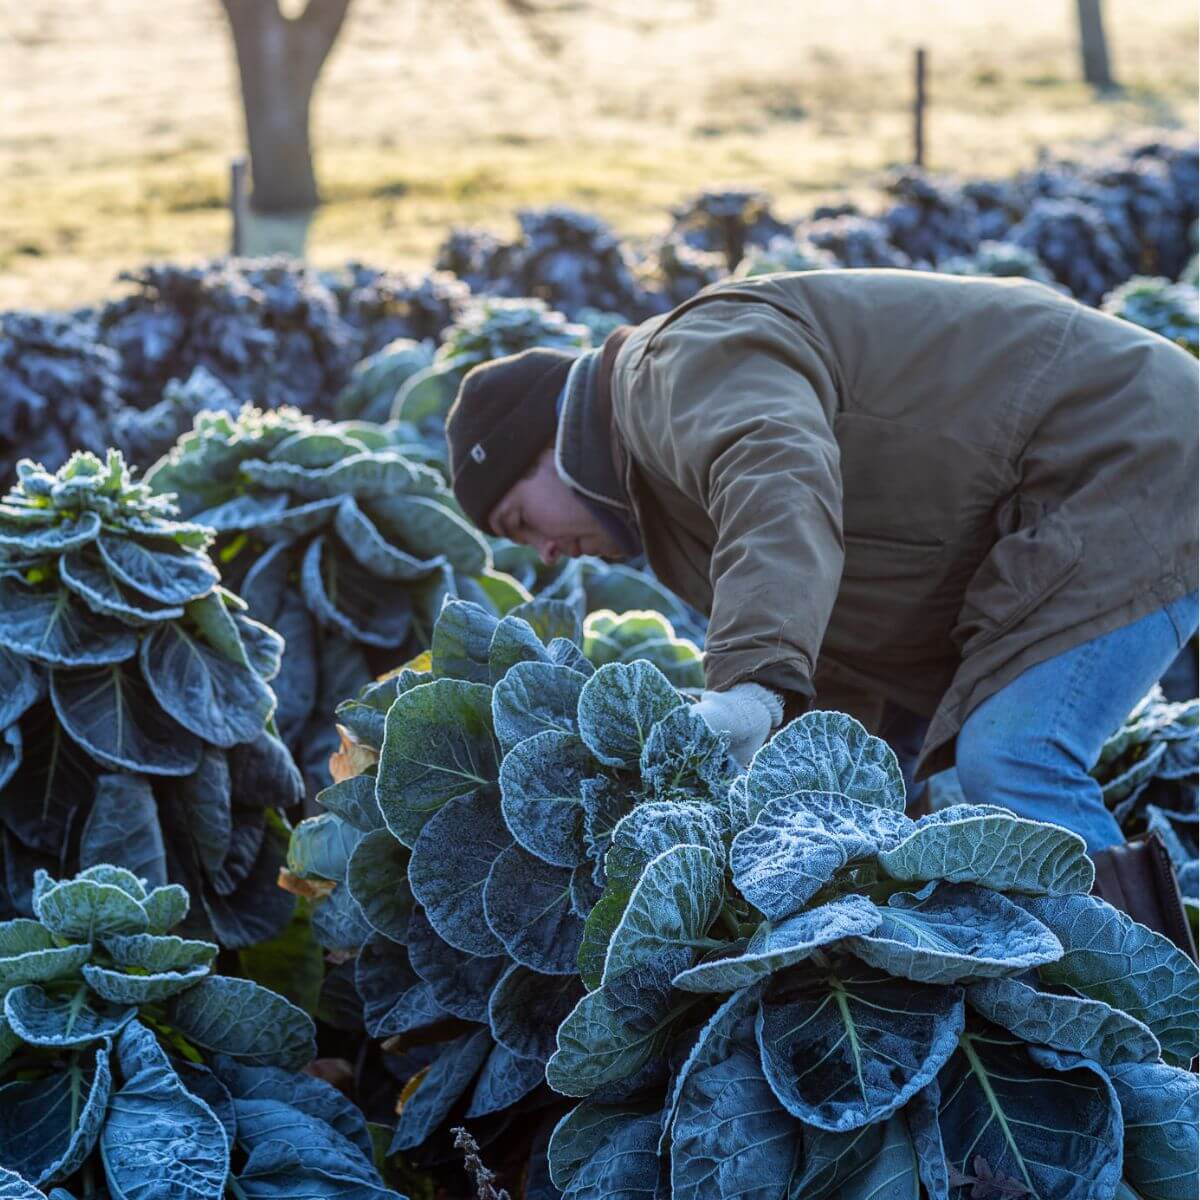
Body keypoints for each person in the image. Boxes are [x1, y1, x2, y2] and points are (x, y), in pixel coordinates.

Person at [445, 270, 1199, 870]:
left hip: (1121, 453)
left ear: (550, 448)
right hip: (1057, 500)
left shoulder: (672, 366)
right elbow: (848, 638)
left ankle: (1163, 1038)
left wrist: (749, 685)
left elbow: (777, 475)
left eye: (520, 521)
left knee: (1015, 760)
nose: (542, 552)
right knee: (930, 799)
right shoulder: (665, 500)